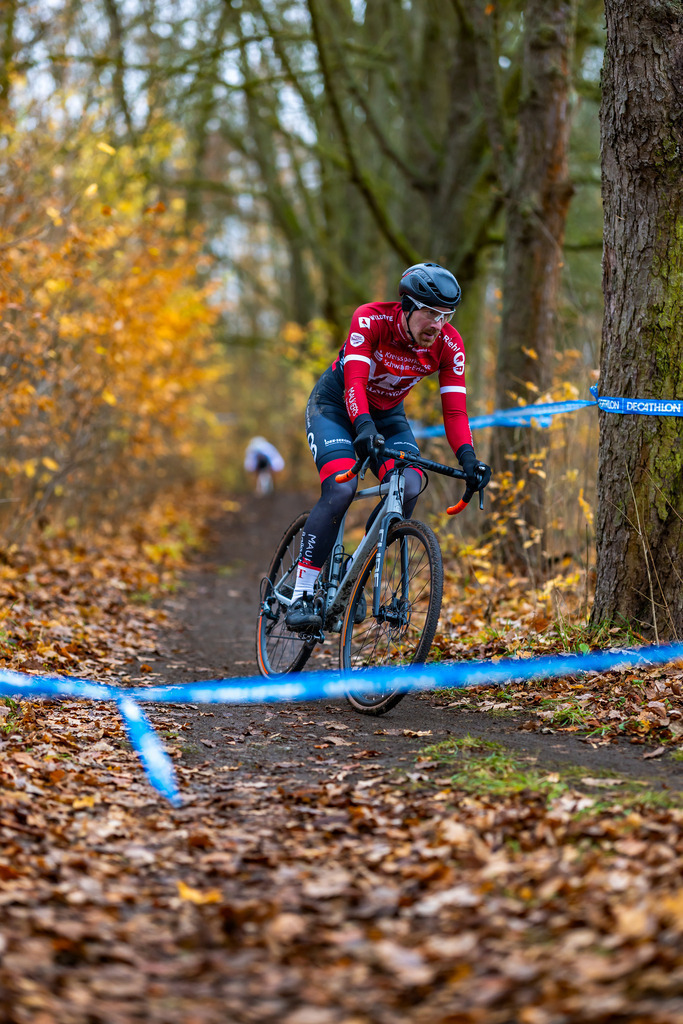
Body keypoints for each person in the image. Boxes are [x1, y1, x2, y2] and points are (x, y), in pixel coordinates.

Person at [286, 261, 491, 631]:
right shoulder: (371, 320)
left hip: (387, 416)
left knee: (410, 482)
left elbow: (456, 412)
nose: (437, 324)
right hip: (335, 406)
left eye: (446, 315)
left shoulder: (449, 345)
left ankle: (354, 574)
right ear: (407, 306)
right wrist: (361, 425)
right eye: (430, 313)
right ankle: (301, 592)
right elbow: (354, 383)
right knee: (341, 487)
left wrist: (469, 459)